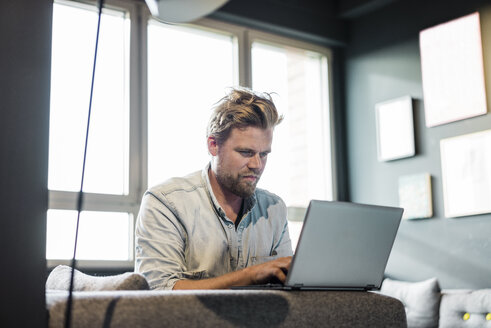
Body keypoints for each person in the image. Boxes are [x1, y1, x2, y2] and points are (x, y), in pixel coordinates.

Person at [135, 87, 293, 290]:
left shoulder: (274, 209)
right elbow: (159, 293)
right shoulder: (165, 203)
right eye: (246, 152)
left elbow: (286, 289)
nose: (257, 165)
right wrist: (252, 275)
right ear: (213, 145)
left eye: (264, 154)